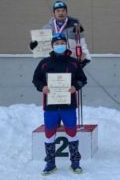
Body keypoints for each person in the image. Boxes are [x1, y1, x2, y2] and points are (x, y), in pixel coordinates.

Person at [32, 33, 87, 175]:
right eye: (56, 44)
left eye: (62, 43)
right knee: (49, 134)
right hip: (51, 107)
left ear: (66, 45)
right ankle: (50, 163)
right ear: (52, 46)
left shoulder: (74, 62)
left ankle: (75, 163)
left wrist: (76, 86)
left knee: (72, 134)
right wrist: (42, 87)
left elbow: (82, 79)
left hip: (68, 106)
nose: (59, 46)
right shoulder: (44, 62)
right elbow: (36, 80)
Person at [30, 1, 91, 67]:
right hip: (52, 62)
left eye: (63, 10)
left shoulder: (76, 26)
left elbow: (82, 44)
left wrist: (86, 58)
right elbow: (40, 48)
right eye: (58, 11)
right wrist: (33, 46)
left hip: (72, 62)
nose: (61, 13)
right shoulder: (46, 28)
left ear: (66, 12)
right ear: (54, 13)